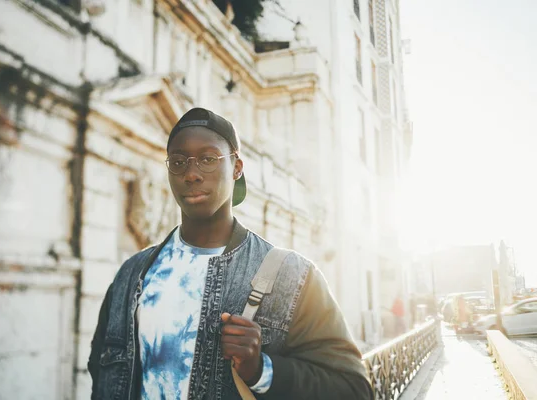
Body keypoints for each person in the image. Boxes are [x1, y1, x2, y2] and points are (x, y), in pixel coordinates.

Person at [88, 107, 372, 399]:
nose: (191, 174)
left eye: (208, 159)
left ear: (237, 167)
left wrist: (262, 370)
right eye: (178, 161)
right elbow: (102, 375)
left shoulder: (292, 276)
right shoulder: (133, 274)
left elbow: (353, 390)